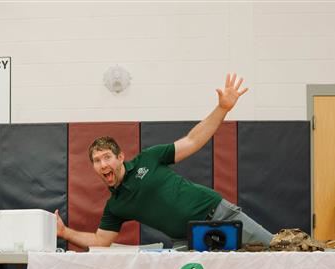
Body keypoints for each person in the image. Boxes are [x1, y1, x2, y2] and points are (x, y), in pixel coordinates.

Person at [55, 73, 273, 250]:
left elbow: (193, 140)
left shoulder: (149, 158)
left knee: (278, 251)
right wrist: (65, 233)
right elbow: (101, 241)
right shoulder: (115, 207)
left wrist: (222, 108)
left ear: (120, 157)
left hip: (223, 216)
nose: (103, 164)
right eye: (96, 161)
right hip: (189, 242)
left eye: (107, 157)